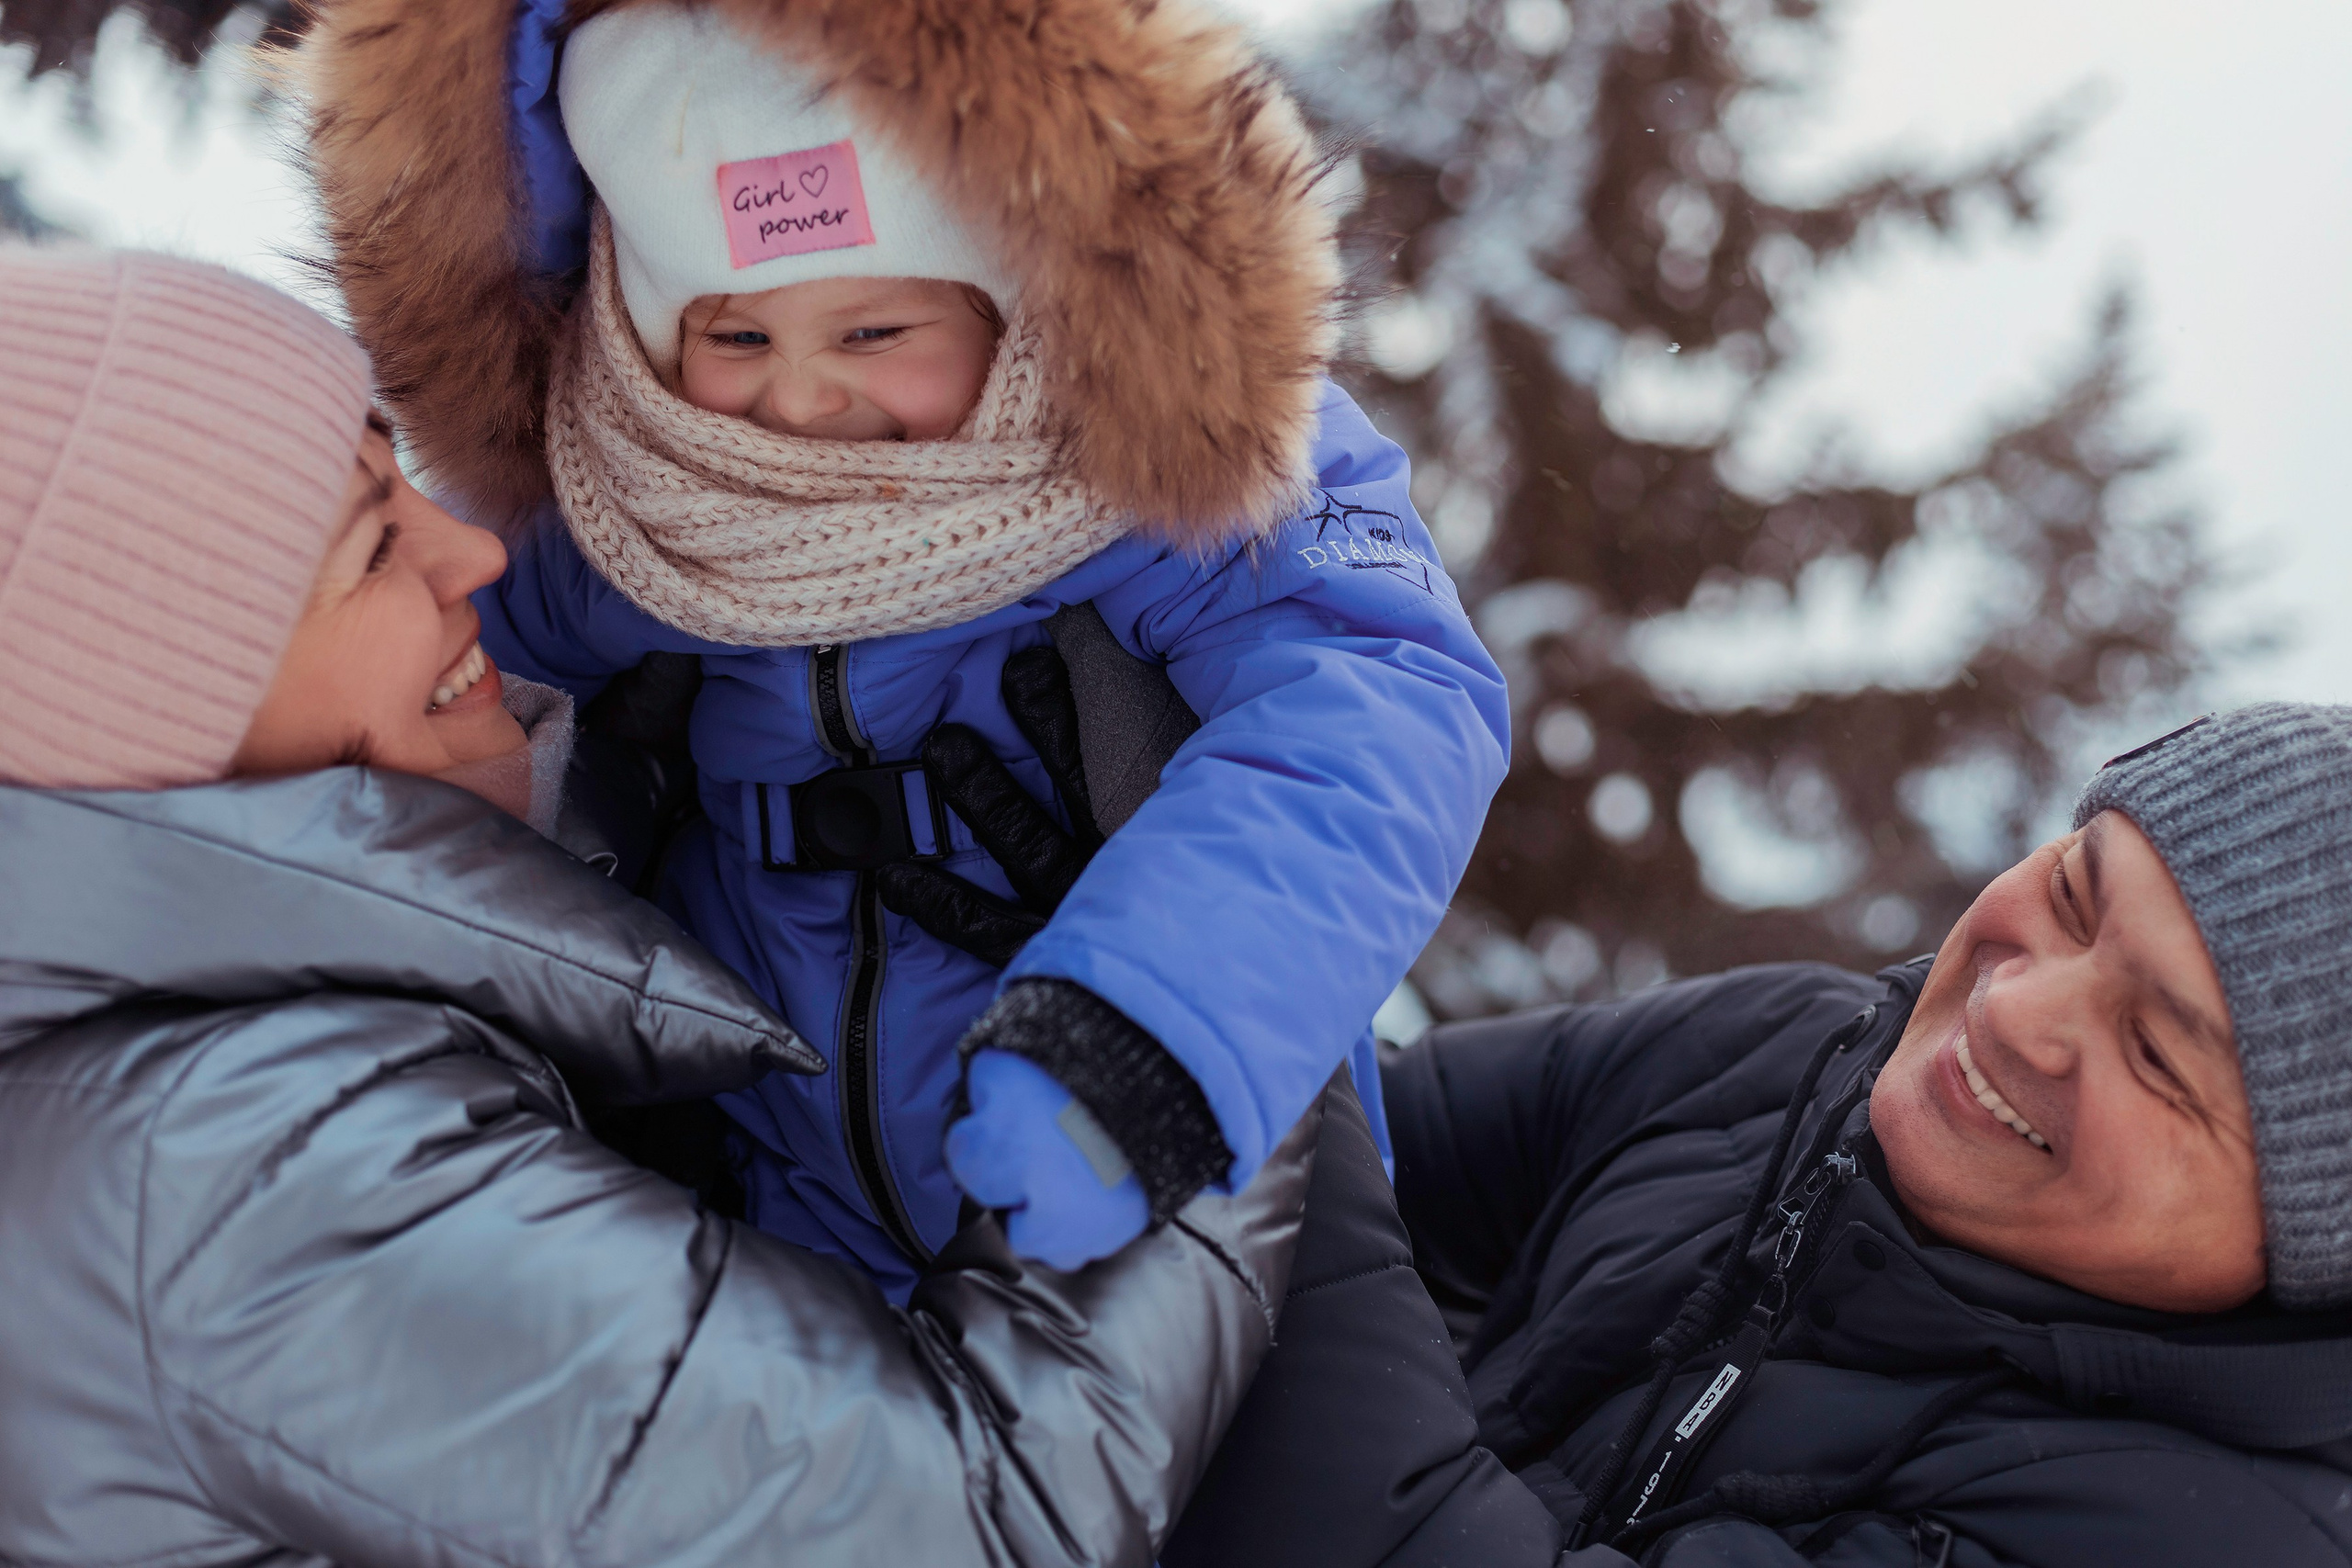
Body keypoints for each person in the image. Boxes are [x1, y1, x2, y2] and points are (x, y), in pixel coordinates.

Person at [0, 244, 1324, 1565]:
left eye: (396, 465)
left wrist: (630, 801)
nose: (466, 544)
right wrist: (1193, 991)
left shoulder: (187, 1064)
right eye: (368, 546)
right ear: (161, 720)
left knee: (1541, 1123)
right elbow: (970, 1516)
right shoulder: (226, 1182)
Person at [301, 0, 1510, 1296]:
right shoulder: (645, 507)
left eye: (875, 331)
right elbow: (463, 669)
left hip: (1159, 1165)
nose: (803, 398)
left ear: (1014, 299)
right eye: (738, 336)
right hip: (781, 1186)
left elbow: (1376, 701)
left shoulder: (1164, 475)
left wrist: (1151, 1026)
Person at [1378, 704, 2352, 1565]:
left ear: (2308, 1244)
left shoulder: (2208, 1538)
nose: (2014, 1009)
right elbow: (1367, 1127)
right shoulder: (1787, 1048)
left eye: (2150, 1051)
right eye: (2070, 898)